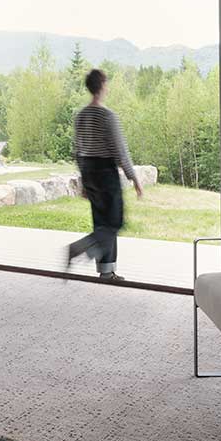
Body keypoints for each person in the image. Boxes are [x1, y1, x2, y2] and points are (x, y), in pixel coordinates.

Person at [67, 69, 142, 282]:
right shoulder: (108, 116)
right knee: (114, 223)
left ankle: (106, 271)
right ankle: (78, 248)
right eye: (106, 84)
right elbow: (120, 150)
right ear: (101, 86)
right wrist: (134, 178)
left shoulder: (81, 115)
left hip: (89, 171)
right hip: (105, 172)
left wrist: (83, 181)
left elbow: (77, 149)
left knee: (102, 221)